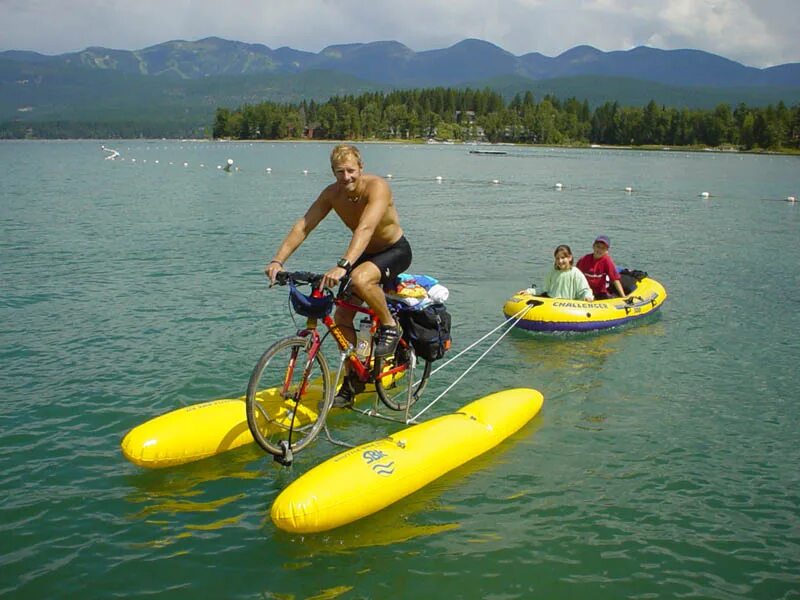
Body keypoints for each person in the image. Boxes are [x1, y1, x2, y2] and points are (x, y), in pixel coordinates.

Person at [265, 144, 412, 406]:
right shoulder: (332, 194)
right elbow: (304, 225)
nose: (346, 177)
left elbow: (366, 228)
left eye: (350, 170)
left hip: (394, 251)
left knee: (360, 278)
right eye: (339, 172)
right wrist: (278, 260)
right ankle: (353, 379)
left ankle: (391, 325)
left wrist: (343, 265)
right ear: (333, 172)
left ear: (361, 168)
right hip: (362, 255)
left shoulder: (377, 187)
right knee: (342, 316)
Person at [576, 235, 625, 300]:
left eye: (603, 248)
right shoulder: (584, 259)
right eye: (598, 247)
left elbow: (615, 279)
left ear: (607, 250)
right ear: (593, 246)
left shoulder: (607, 261)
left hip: (600, 293)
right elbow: (575, 275)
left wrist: (623, 296)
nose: (599, 250)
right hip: (585, 291)